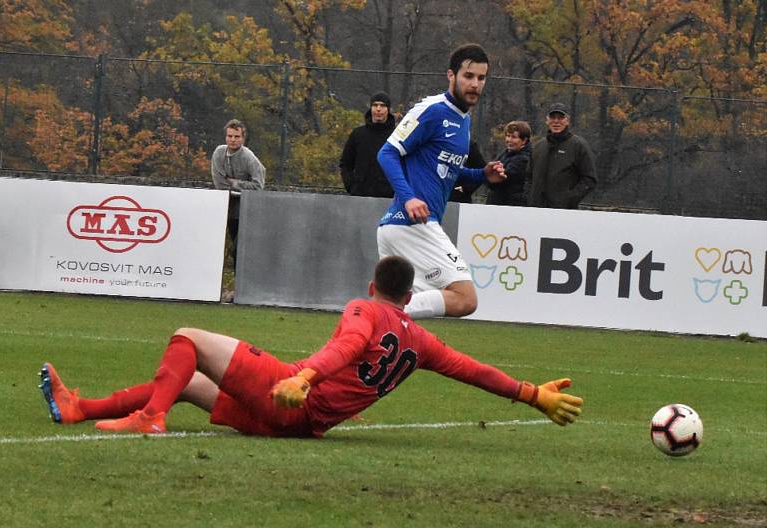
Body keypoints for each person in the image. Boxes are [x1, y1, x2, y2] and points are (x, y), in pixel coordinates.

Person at [38, 256, 583, 437]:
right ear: (411, 296)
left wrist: (303, 376)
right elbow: (473, 369)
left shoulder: (363, 309)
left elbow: (346, 347)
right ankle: (78, 407)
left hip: (291, 394)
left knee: (187, 338)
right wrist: (533, 394)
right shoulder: (423, 342)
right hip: (305, 424)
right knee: (191, 384)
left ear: (374, 287)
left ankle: (148, 419)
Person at [376, 44, 506, 320]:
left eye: (481, 78)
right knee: (464, 298)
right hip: (411, 224)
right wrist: (409, 197)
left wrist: (482, 175)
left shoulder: (463, 120)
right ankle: (375, 315)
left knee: (405, 329)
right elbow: (387, 153)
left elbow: (448, 171)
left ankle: (375, 327)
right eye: (468, 76)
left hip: (403, 226)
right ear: (451, 75)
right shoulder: (432, 110)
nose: (475, 84)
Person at [210, 119, 266, 266]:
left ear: (243, 138)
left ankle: (240, 283)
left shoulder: (249, 157)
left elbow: (258, 186)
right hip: (225, 207)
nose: (232, 140)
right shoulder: (218, 153)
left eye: (236, 136)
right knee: (220, 247)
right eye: (230, 136)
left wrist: (234, 182)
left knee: (240, 248)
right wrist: (235, 187)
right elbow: (220, 183)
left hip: (246, 209)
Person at [525, 103, 597, 209]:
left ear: (567, 120)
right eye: (552, 117)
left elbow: (589, 179)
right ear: (547, 120)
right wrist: (529, 197)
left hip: (564, 214)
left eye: (560, 117)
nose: (556, 121)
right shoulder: (538, 146)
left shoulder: (578, 145)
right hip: (536, 211)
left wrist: (568, 200)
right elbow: (528, 176)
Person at [339, 92, 396, 198]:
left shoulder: (397, 135)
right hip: (360, 195)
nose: (378, 109)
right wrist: (351, 186)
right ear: (370, 108)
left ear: (388, 109)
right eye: (375, 105)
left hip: (390, 197)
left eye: (383, 105)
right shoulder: (358, 134)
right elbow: (345, 164)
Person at [486, 121, 532, 206]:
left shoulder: (524, 159)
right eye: (508, 136)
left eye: (514, 137)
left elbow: (502, 178)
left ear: (524, 140)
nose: (509, 140)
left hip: (511, 206)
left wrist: (488, 175)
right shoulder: (506, 153)